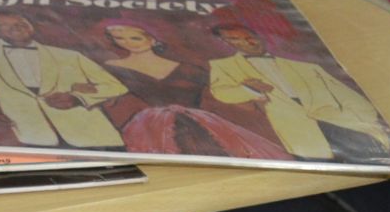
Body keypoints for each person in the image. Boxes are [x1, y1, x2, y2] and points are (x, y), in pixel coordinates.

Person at [96, 22, 287, 160]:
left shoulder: (191, 69)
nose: (127, 43)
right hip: (147, 125)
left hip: (201, 122)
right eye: (119, 38)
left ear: (153, 39)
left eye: (135, 37)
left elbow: (217, 97)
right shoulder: (111, 67)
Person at [206, 23, 390, 163]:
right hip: (297, 130)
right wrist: (249, 89)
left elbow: (348, 95)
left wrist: (361, 118)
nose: (251, 42)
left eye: (251, 36)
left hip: (337, 120)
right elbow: (221, 93)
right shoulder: (223, 66)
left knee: (374, 157)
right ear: (227, 43)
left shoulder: (307, 67)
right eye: (239, 39)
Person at [0, 11, 127, 148]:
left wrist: (78, 98)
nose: (17, 27)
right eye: (5, 25)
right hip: (29, 137)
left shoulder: (69, 56)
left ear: (30, 25)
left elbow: (114, 86)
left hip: (93, 137)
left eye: (22, 23)